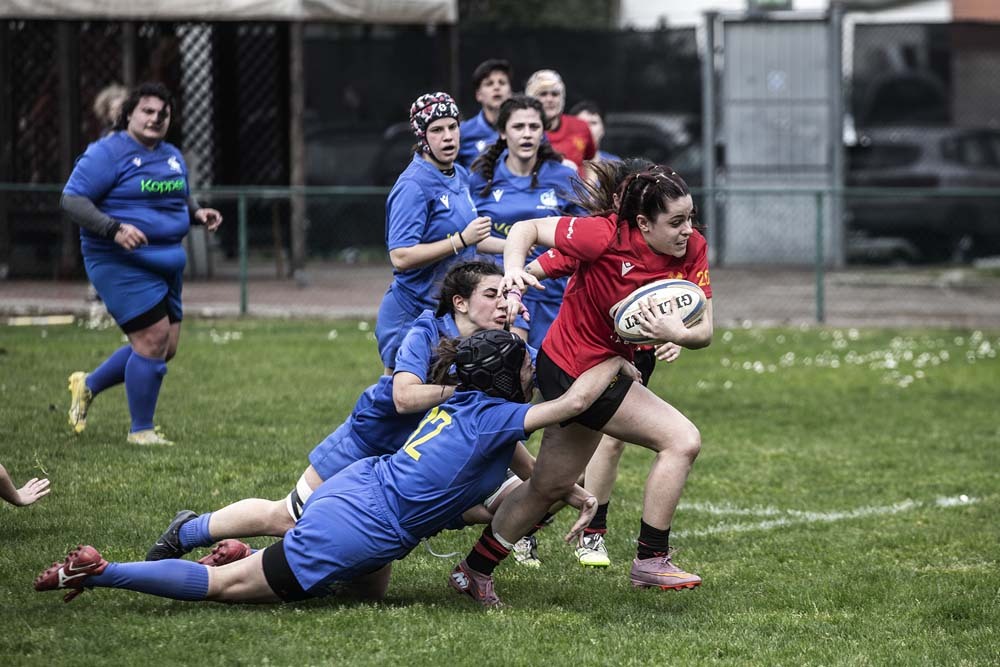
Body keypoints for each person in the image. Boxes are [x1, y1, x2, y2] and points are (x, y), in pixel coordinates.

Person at [34, 331, 629, 607]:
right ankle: (100, 572)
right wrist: (620, 353)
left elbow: (529, 473)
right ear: (504, 377)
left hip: (360, 492)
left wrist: (572, 494)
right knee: (225, 590)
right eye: (526, 364)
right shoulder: (498, 417)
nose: (535, 368)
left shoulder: (473, 406)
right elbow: (577, 401)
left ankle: (249, 553)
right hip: (364, 523)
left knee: (366, 596)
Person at [451, 162, 714, 606]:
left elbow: (704, 330)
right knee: (682, 440)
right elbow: (527, 230)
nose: (688, 229)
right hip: (575, 367)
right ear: (643, 223)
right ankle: (651, 558)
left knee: (549, 486)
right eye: (676, 221)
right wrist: (514, 273)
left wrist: (679, 334)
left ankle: (473, 570)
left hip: (600, 367)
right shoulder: (603, 235)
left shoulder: (693, 248)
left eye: (690, 217)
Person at [141, 261, 524, 562]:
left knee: (523, 497)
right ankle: (189, 532)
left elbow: (533, 379)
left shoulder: (502, 344)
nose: (502, 303)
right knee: (289, 517)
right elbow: (404, 398)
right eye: (492, 294)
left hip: (427, 457)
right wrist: (463, 388)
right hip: (373, 440)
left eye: (505, 295)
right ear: (460, 303)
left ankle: (474, 571)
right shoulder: (424, 331)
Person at [62, 82, 223, 446]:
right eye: (147, 111)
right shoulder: (107, 152)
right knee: (152, 339)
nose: (155, 118)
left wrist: (197, 213)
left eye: (163, 113)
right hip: (120, 261)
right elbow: (72, 200)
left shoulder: (171, 155)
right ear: (128, 114)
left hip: (167, 262)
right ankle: (141, 431)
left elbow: (179, 195)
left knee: (166, 347)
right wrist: (114, 229)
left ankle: (88, 385)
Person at [376, 91, 502, 374]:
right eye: (437, 130)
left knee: (449, 393)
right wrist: (459, 240)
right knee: (400, 397)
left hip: (446, 312)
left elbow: (473, 239)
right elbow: (401, 256)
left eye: (452, 127)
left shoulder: (460, 174)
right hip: (410, 313)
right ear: (422, 137)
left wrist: (516, 245)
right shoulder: (413, 185)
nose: (448, 137)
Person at [524, 69, 595, 177]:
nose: (549, 99)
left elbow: (590, 161)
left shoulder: (581, 126)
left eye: (555, 94)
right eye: (543, 94)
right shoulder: (523, 132)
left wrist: (589, 185)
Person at [457, 59, 513, 168]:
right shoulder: (462, 133)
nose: (497, 87)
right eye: (489, 83)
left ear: (510, 92)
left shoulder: (525, 129)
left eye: (502, 82)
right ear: (478, 95)